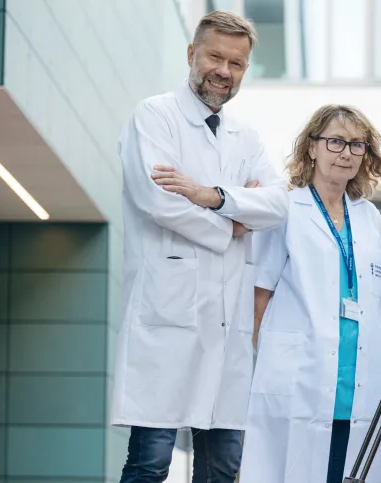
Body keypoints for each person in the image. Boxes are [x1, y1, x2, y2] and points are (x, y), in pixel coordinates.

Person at [111, 11, 289, 483]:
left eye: (237, 63)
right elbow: (158, 200)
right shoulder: (154, 116)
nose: (224, 71)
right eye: (214, 56)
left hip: (226, 324)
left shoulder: (245, 136)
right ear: (192, 54)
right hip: (166, 316)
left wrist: (212, 197)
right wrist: (230, 224)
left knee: (223, 465)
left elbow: (277, 204)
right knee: (151, 460)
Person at [238, 104, 381, 483]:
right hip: (299, 380)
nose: (345, 153)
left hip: (358, 382)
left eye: (357, 145)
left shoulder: (368, 216)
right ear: (312, 147)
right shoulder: (286, 208)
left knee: (352, 469)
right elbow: (260, 298)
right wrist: (273, 363)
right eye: (336, 141)